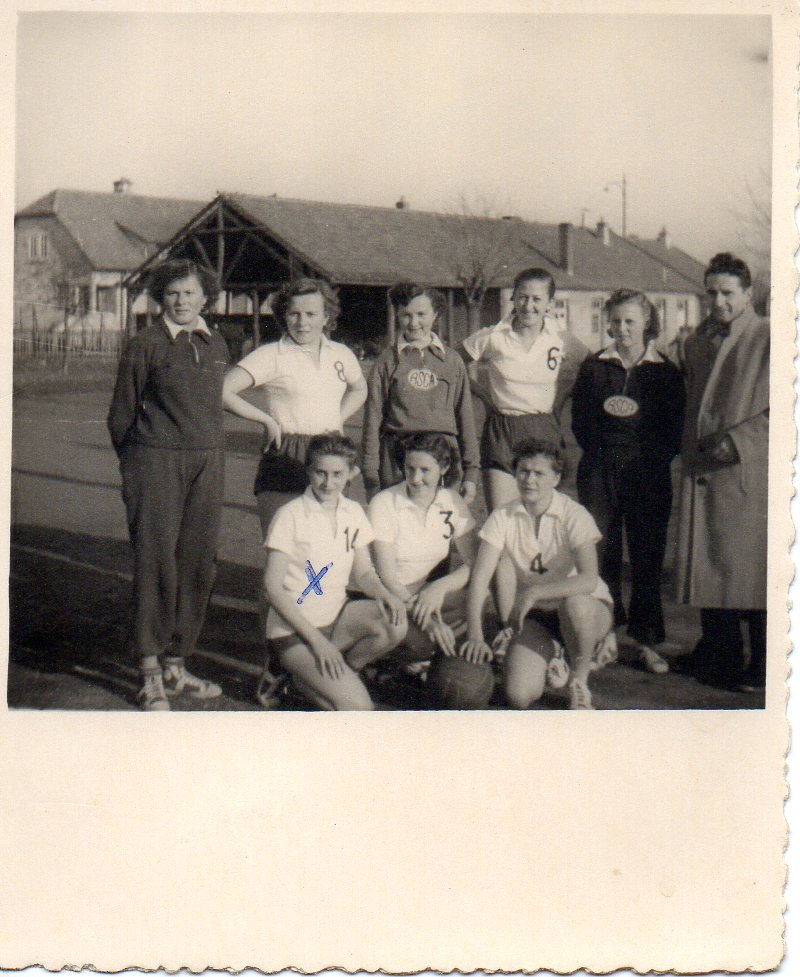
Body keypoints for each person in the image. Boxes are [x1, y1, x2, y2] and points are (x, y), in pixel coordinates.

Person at [107, 259, 229, 711]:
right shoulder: (146, 344)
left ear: (205, 297)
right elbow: (121, 415)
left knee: (198, 563)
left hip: (207, 462)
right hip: (155, 462)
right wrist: (136, 469)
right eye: (173, 293)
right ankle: (150, 672)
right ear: (161, 297)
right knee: (155, 563)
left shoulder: (216, 342)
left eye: (189, 292)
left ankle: (177, 664)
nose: (181, 301)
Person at [571, 289, 686, 674]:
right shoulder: (594, 367)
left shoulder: (664, 371)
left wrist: (645, 460)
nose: (622, 328)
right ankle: (603, 634)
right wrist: (605, 455)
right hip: (599, 470)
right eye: (616, 321)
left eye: (630, 321)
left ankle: (646, 640)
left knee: (646, 556)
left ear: (646, 323)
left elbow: (673, 431)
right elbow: (581, 423)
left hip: (647, 473)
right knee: (600, 552)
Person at [673, 253, 769, 691]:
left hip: (747, 472)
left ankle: (766, 660)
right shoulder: (698, 341)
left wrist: (741, 440)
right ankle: (720, 653)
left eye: (728, 293)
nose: (718, 302)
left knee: (750, 568)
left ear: (748, 294)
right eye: (710, 292)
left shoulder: (770, 337)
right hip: (703, 469)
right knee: (710, 563)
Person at [460, 439, 614, 710]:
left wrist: (534, 591)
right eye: (523, 471)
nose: (529, 480)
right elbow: (481, 578)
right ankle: (556, 653)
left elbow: (589, 579)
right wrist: (475, 634)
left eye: (539, 473)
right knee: (518, 696)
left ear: (556, 478)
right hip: (537, 615)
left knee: (575, 605)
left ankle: (579, 681)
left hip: (586, 609)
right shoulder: (503, 516)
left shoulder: (574, 514)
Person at [262, 435, 407, 710]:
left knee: (395, 622)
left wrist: (384, 594)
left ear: (351, 473)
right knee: (358, 709)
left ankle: (328, 675)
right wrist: (318, 643)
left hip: (337, 619)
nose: (328, 483)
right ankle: (292, 672)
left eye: (337, 474)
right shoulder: (289, 515)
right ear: (309, 470)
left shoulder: (353, 512)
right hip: (294, 632)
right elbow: (272, 588)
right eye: (321, 473)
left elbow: (364, 574)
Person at [222, 277, 368, 538]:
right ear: (284, 315)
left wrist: (338, 418)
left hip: (329, 452)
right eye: (294, 314)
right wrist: (267, 421)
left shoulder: (341, 353)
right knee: (284, 543)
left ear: (326, 316)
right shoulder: (270, 354)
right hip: (286, 451)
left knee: (326, 542)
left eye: (311, 314)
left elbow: (360, 389)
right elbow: (223, 391)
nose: (302, 322)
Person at [460, 267, 588, 511]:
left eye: (537, 299)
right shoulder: (494, 336)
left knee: (541, 515)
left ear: (550, 303)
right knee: (502, 516)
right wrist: (481, 394)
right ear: (513, 297)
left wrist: (562, 396)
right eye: (522, 297)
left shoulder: (561, 338)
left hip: (544, 428)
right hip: (502, 430)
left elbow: (592, 367)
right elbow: (452, 362)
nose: (528, 306)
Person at [368, 432, 479, 690]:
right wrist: (428, 621)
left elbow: (475, 563)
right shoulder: (384, 503)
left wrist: (439, 588)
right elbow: (387, 578)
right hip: (391, 598)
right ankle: (393, 661)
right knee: (422, 640)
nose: (416, 478)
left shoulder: (452, 501)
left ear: (444, 467)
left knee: (479, 596)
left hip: (427, 595)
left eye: (425, 470)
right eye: (410, 469)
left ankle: (427, 659)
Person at [362, 283, 480, 503]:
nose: (413, 322)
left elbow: (465, 417)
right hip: (396, 458)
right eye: (406, 315)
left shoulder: (452, 361)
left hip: (443, 456)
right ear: (397, 315)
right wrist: (371, 475)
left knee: (438, 519)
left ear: (435, 315)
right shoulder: (386, 361)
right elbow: (372, 420)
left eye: (421, 314)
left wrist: (471, 473)